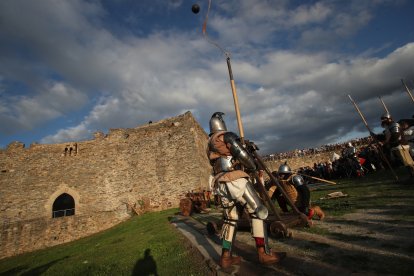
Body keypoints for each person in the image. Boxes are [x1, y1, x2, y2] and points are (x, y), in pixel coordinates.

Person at [207, 112, 286, 268]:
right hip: (235, 179)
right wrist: (251, 162)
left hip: (220, 183)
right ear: (221, 124)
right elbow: (241, 155)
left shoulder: (209, 144)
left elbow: (225, 157)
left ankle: (225, 258)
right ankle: (264, 254)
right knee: (259, 211)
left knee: (230, 219)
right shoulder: (226, 136)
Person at [378, 113, 414, 177]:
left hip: (401, 146)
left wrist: (385, 142)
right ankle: (412, 175)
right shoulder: (388, 127)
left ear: (389, 118)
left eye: (384, 119)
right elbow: (386, 136)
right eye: (382, 119)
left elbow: (396, 135)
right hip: (396, 146)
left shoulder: (394, 125)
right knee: (406, 163)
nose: (383, 121)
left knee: (409, 162)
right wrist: (376, 136)